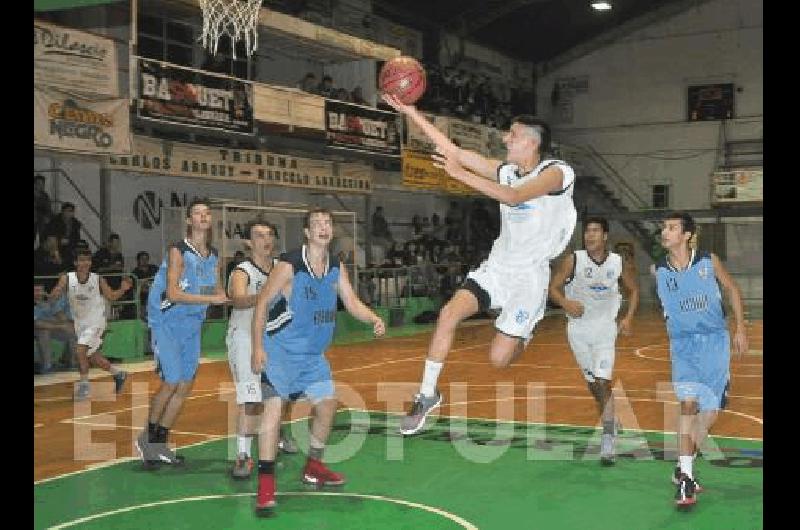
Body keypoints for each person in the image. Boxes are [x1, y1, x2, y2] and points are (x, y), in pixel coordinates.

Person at [382, 93, 577, 436]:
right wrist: (412, 113)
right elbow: (454, 152)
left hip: (529, 278)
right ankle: (427, 394)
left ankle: (524, 332)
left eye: (512, 135)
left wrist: (460, 176)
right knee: (447, 315)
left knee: (498, 360)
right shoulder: (507, 172)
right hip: (497, 268)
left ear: (532, 142)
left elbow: (515, 197)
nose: (505, 138)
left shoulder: (558, 173)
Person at [250, 207, 386, 513]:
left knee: (327, 405)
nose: (324, 227)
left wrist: (373, 317)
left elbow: (351, 302)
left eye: (328, 222)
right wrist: (257, 348)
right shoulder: (290, 265)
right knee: (273, 412)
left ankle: (313, 466)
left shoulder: (336, 267)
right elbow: (261, 304)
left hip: (312, 356)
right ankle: (266, 483)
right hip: (280, 352)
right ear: (308, 233)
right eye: (317, 224)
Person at [654, 211, 748, 508]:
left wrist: (741, 327)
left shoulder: (708, 261)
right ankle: (685, 481)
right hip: (683, 346)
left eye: (671, 228)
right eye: (663, 228)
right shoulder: (659, 270)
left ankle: (684, 467)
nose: (664, 232)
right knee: (688, 405)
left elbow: (732, 289)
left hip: (715, 343)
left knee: (708, 416)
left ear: (687, 235)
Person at [135, 198, 230, 468]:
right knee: (172, 381)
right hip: (166, 323)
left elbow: (218, 293)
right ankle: (147, 438)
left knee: (185, 385)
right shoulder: (178, 251)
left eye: (206, 213)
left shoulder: (213, 257)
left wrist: (245, 296)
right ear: (188, 221)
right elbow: (173, 293)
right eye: (197, 213)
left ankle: (159, 441)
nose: (202, 216)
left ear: (210, 221)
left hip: (191, 326)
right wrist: (210, 300)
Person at [548, 216, 640, 465]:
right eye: (587, 231)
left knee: (602, 382)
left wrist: (628, 318)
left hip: (604, 331)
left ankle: (608, 436)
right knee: (593, 386)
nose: (590, 235)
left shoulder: (617, 262)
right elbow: (553, 288)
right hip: (578, 332)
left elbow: (634, 291)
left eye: (595, 231)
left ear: (605, 235)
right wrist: (565, 302)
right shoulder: (573, 260)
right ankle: (611, 418)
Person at [226, 219, 297, 480]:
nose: (266, 240)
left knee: (281, 395)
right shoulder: (242, 271)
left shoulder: (281, 268)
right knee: (252, 399)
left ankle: (275, 433)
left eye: (269, 234)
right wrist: (265, 295)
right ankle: (243, 455)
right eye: (258, 235)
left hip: (276, 338)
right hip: (244, 338)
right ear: (248, 242)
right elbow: (239, 298)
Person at [47, 248, 133, 400]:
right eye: (81, 260)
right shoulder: (67, 279)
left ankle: (84, 387)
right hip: (80, 323)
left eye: (87, 260)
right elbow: (55, 294)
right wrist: (54, 294)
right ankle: (118, 374)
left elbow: (111, 296)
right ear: (75, 262)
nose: (85, 263)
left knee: (80, 350)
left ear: (91, 262)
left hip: (96, 320)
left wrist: (122, 289)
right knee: (92, 357)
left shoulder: (98, 279)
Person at [34, 284, 76, 374]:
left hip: (52, 328)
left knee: (72, 332)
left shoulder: (48, 303)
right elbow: (37, 324)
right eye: (35, 291)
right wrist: (59, 326)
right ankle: (47, 366)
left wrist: (53, 303)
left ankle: (70, 362)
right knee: (43, 332)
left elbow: (63, 318)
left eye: (39, 290)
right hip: (38, 329)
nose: (38, 293)